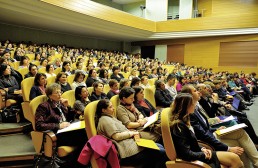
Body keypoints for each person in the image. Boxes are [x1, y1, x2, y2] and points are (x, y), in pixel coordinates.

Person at [181, 84, 258, 167]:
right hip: (207, 142)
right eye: (195, 91)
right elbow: (203, 134)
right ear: (189, 95)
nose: (198, 92)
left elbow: (205, 128)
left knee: (240, 132)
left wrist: (215, 129)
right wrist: (228, 148)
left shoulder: (195, 108)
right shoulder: (190, 112)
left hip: (211, 134)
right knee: (238, 141)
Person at [170, 93, 243, 168]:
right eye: (192, 103)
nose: (194, 105)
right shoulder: (178, 126)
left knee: (236, 160)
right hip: (196, 158)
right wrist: (203, 154)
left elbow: (193, 141)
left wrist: (202, 148)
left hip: (200, 151)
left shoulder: (185, 118)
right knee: (236, 161)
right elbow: (185, 153)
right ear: (186, 106)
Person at [96, 99, 167, 168]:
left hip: (131, 145)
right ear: (103, 110)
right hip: (127, 153)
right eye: (110, 107)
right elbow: (116, 136)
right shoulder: (105, 120)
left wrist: (131, 132)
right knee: (161, 152)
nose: (113, 108)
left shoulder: (110, 117)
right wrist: (131, 133)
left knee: (159, 146)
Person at [35, 83, 86, 166]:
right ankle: (80, 164)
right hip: (57, 134)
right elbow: (39, 125)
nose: (60, 94)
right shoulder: (44, 106)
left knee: (86, 133)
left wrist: (68, 107)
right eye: (57, 93)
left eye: (60, 92)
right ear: (50, 95)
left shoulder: (61, 103)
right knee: (84, 136)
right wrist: (58, 125)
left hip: (67, 130)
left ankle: (79, 163)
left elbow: (70, 118)